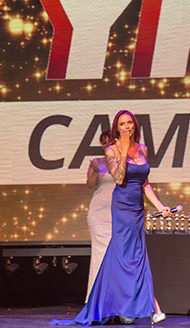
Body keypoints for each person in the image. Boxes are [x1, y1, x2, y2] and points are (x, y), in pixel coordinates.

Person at [56, 110, 170, 325]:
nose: (127, 126)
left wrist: (160, 206)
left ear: (135, 125)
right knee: (133, 257)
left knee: (129, 256)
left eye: (130, 123)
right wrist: (124, 150)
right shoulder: (111, 151)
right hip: (122, 208)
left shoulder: (143, 149)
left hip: (137, 210)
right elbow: (118, 178)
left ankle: (117, 304)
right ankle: (153, 307)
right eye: (122, 124)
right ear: (117, 128)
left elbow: (145, 183)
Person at [84, 130, 114, 303]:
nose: (106, 145)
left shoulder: (124, 161)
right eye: (103, 142)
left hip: (118, 214)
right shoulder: (97, 162)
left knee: (117, 256)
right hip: (98, 214)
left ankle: (116, 300)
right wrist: (96, 171)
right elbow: (90, 185)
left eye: (109, 141)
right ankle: (95, 299)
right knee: (99, 255)